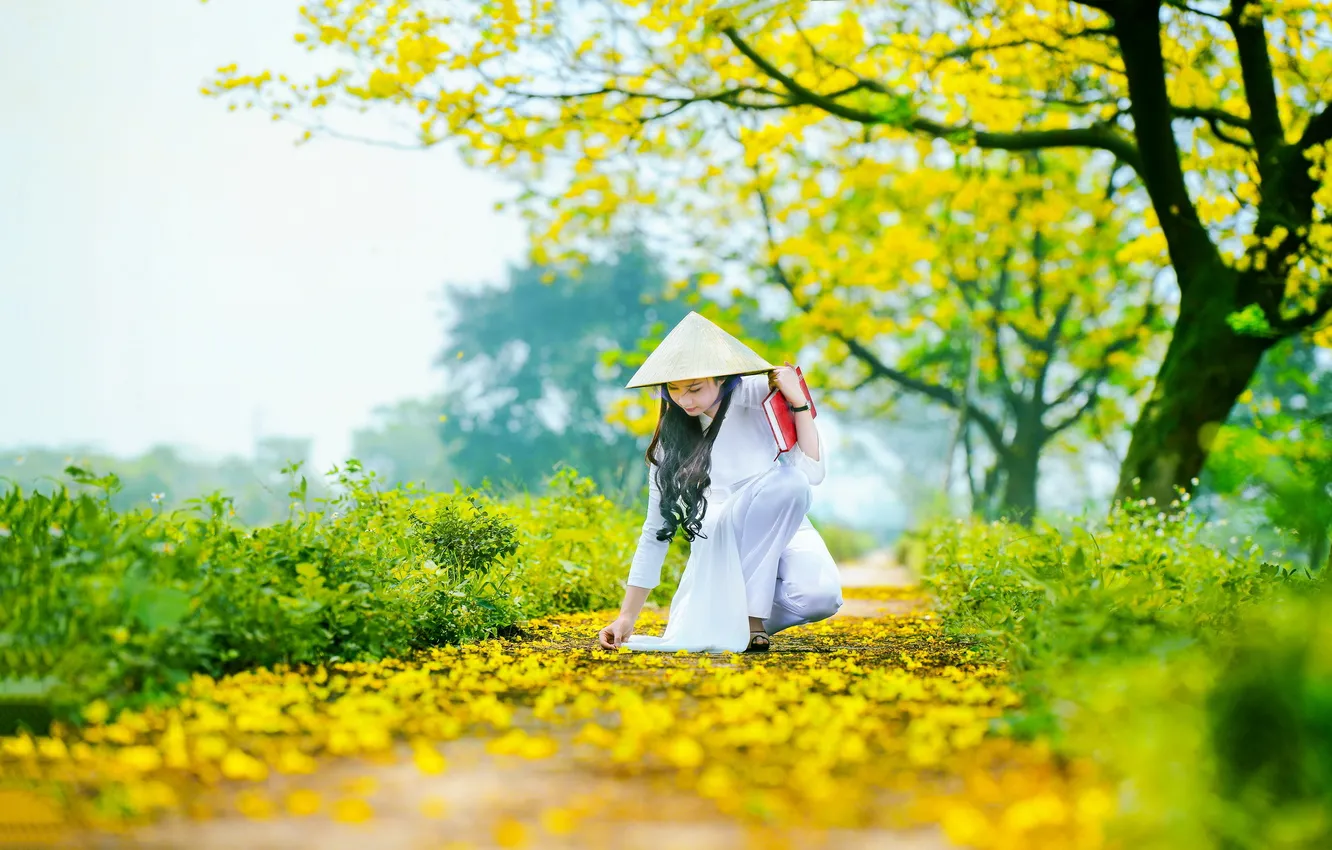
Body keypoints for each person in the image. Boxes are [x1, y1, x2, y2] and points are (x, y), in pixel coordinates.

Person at [597, 311, 843, 654]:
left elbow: (813, 473)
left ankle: (722, 617)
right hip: (723, 533)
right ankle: (753, 623)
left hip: (785, 518)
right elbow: (655, 531)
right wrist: (626, 617)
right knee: (788, 484)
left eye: (695, 388)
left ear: (723, 379)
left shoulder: (761, 395)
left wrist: (798, 399)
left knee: (821, 597)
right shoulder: (673, 441)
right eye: (674, 389)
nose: (684, 400)